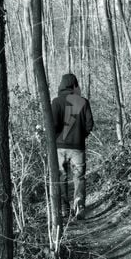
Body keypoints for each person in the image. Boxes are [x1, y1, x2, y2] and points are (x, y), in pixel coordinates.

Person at [51, 73, 94, 220]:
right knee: (79, 177)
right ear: (74, 85)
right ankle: (79, 204)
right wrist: (81, 136)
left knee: (61, 177)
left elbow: (54, 125)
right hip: (78, 147)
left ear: (62, 85)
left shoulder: (56, 102)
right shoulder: (83, 102)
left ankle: (64, 208)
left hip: (59, 147)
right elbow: (89, 125)